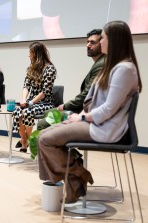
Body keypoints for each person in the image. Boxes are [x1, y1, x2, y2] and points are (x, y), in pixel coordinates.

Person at [37, 20, 142, 204]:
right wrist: (78, 117)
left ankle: (76, 177)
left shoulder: (124, 69)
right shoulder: (114, 66)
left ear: (114, 40)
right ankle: (77, 175)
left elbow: (108, 109)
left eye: (103, 38)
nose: (100, 42)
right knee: (44, 133)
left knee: (45, 139)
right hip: (96, 122)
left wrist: (81, 116)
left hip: (104, 127)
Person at [36, 29, 105, 130]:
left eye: (92, 42)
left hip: (86, 112)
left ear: (102, 44)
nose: (88, 45)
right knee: (48, 113)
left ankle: (57, 144)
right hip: (84, 108)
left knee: (42, 124)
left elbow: (86, 94)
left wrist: (65, 106)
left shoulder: (101, 65)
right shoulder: (99, 63)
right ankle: (60, 145)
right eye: (87, 42)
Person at [12, 41, 57, 153]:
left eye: (30, 52)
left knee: (27, 112)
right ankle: (24, 140)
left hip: (45, 103)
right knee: (17, 111)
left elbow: (45, 91)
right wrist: (24, 101)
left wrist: (30, 103)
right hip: (30, 101)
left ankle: (26, 141)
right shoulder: (31, 68)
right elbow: (26, 86)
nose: (28, 55)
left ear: (36, 54)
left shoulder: (50, 69)